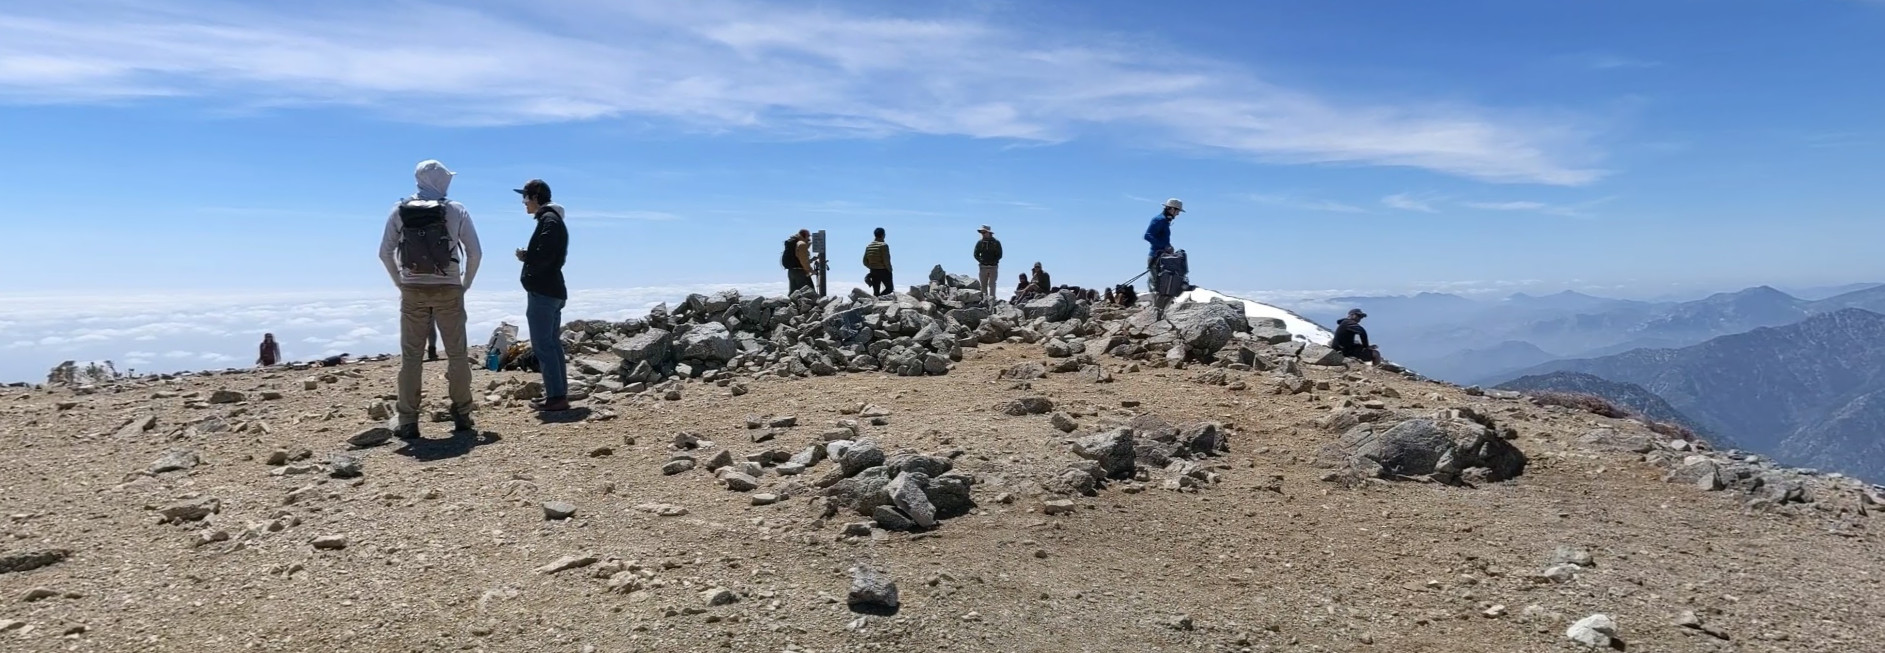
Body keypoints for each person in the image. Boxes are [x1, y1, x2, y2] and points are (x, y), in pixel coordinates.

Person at [378, 159, 481, 438]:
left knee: (412, 357)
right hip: (448, 287)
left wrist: (401, 283)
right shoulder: (456, 210)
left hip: (413, 290)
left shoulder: (399, 211)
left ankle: (408, 420)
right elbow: (475, 253)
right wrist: (464, 284)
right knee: (457, 354)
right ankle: (462, 415)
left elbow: (384, 253)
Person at [514, 179, 571, 412]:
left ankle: (556, 397)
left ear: (536, 197)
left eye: (525, 197)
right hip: (553, 289)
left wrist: (529, 261)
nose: (524, 203)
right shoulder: (553, 220)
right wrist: (530, 256)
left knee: (543, 345)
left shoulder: (549, 221)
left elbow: (546, 254)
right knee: (552, 344)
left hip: (544, 291)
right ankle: (557, 393)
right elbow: (549, 253)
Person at [1145, 198, 1182, 291]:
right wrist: (1164, 246)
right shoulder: (1159, 220)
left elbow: (1162, 238)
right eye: (1177, 211)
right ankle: (1155, 304)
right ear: (1172, 209)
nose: (1178, 214)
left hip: (1162, 257)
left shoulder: (1165, 221)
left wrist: (1168, 245)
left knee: (1163, 283)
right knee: (1156, 284)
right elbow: (1148, 236)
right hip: (1155, 257)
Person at [973, 225, 1002, 303]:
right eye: (982, 232)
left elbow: (1000, 254)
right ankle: (984, 301)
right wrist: (981, 260)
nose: (983, 234)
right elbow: (975, 254)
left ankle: (992, 300)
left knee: (992, 284)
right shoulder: (980, 243)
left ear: (989, 233)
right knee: (983, 285)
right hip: (983, 266)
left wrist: (994, 261)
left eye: (984, 232)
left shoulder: (996, 242)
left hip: (993, 266)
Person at [862, 227, 893, 296]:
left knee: (876, 291)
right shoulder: (884, 246)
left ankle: (869, 276)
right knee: (890, 288)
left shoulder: (869, 246)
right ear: (883, 235)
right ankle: (879, 299)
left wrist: (872, 267)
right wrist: (890, 270)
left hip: (873, 270)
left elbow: (864, 261)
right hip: (883, 270)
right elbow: (886, 260)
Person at [784, 229, 814, 295]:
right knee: (808, 292)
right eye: (808, 236)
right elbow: (803, 260)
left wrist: (811, 260)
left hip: (791, 272)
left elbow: (798, 257)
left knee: (794, 293)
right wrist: (810, 270)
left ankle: (791, 305)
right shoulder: (801, 244)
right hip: (800, 272)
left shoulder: (794, 243)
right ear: (804, 235)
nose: (809, 238)